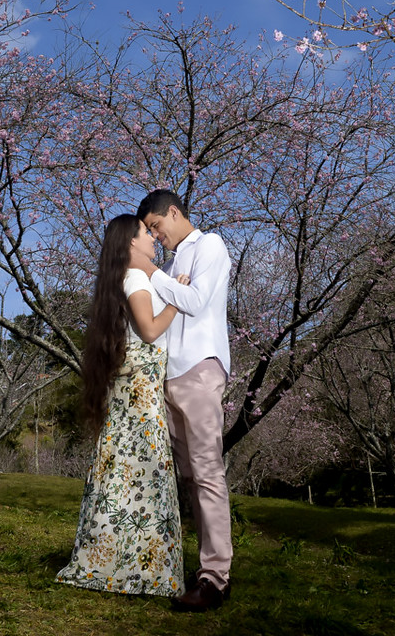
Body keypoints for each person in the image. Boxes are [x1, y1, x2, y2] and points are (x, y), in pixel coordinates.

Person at [56, 214, 187, 597]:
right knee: (144, 476)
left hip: (133, 392)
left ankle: (114, 562)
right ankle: (142, 570)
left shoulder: (123, 280)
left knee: (120, 476)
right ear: (130, 243)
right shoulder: (135, 278)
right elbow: (148, 329)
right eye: (147, 233)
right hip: (140, 396)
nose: (153, 238)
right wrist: (177, 302)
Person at [135, 189, 233, 612]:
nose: (156, 236)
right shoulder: (172, 264)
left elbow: (194, 302)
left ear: (173, 212)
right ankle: (200, 569)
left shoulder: (209, 244)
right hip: (169, 378)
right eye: (150, 232)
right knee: (190, 477)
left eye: (156, 226)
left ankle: (216, 579)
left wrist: (149, 269)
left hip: (199, 368)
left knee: (208, 472)